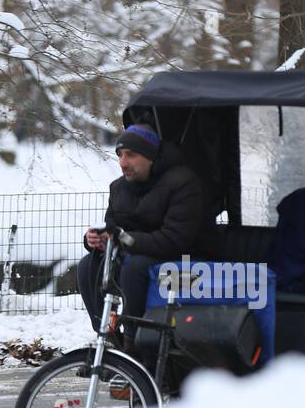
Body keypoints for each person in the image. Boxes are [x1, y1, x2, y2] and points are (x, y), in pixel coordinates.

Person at [78, 123, 217, 344]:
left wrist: (123, 239)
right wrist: (96, 240)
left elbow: (175, 240)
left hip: (190, 266)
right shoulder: (119, 188)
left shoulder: (184, 182)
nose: (123, 162)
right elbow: (112, 228)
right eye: (120, 155)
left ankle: (134, 343)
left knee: (134, 267)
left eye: (131, 155)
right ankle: (109, 338)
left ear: (151, 156)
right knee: (88, 266)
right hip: (138, 256)